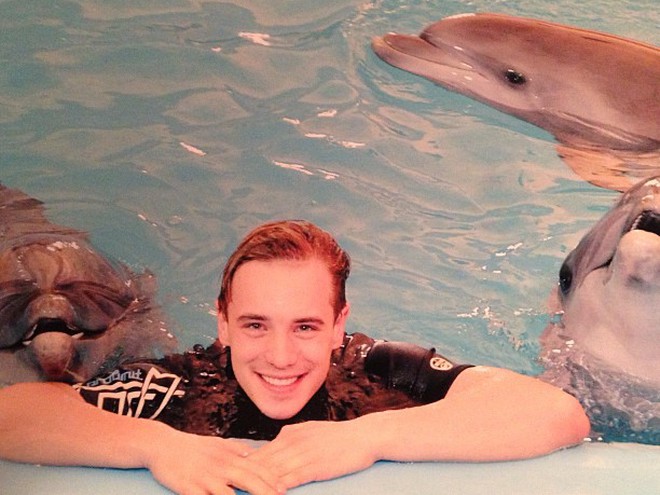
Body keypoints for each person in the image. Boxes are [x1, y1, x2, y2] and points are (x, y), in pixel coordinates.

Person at [0, 220, 589, 495]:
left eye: (305, 327)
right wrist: (156, 446)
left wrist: (370, 437)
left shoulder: (377, 370)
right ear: (223, 323)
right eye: (256, 325)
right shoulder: (176, 385)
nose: (280, 357)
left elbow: (555, 413)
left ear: (339, 325)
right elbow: (16, 413)